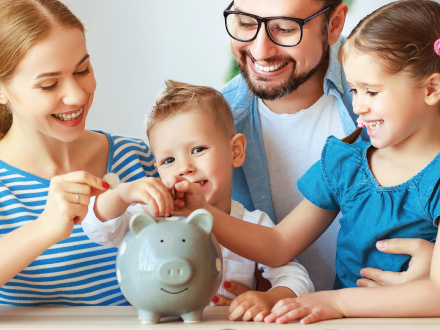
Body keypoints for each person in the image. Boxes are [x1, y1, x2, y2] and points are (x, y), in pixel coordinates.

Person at [173, 0, 440, 323]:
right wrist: (199, 209)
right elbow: (278, 244)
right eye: (354, 90)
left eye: (371, 91)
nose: (359, 106)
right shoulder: (348, 162)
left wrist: (338, 303)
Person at [82, 80, 314, 322]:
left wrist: (267, 299)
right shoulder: (151, 216)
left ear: (235, 151)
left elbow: (296, 277)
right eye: (168, 160)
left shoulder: (252, 224)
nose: (184, 168)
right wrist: (122, 193)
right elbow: (97, 227)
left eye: (198, 149)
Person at [0, 0, 158, 305]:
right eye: (48, 85)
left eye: (82, 70)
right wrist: (45, 228)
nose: (75, 95)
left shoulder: (137, 158)